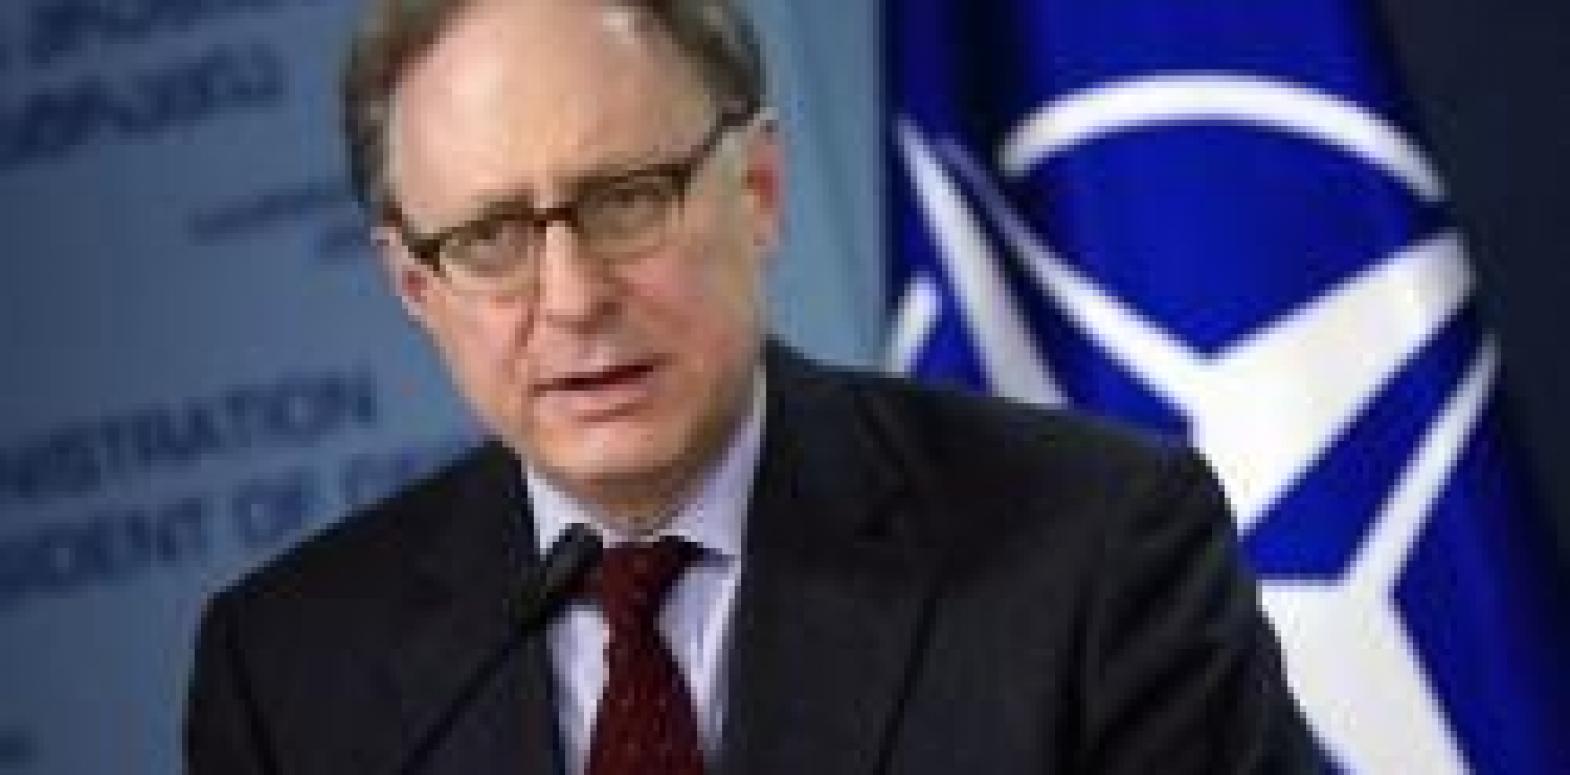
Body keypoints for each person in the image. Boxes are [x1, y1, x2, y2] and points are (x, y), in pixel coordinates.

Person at [185, 0, 1319, 773]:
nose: (571, 297)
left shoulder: (1092, 554)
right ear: (415, 286)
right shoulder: (288, 675)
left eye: (627, 199)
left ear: (760, 190)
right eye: (490, 239)